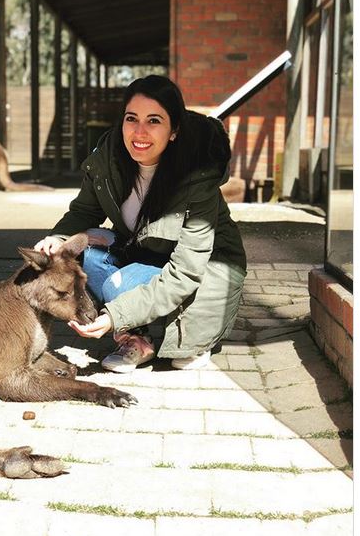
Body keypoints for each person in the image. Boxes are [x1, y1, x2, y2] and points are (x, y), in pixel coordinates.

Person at [35, 75, 247, 373]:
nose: (139, 131)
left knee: (175, 349)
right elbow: (85, 211)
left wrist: (113, 316)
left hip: (205, 272)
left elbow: (185, 273)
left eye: (154, 121)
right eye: (131, 118)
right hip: (148, 257)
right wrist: (58, 238)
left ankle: (174, 333)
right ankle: (138, 337)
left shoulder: (197, 177)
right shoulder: (110, 159)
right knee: (81, 253)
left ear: (174, 131)